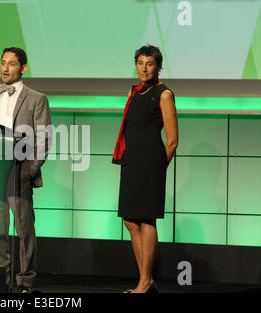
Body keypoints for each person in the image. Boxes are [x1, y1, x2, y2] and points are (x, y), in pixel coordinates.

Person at [0, 47, 51, 293]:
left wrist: (30, 171)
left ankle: (24, 281)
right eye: (2, 62)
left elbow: (44, 138)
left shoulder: (36, 98)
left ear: (23, 68)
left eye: (12, 64)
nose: (5, 68)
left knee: (23, 228)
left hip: (18, 169)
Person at [112, 45, 178, 293]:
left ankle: (143, 282)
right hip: (131, 161)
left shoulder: (164, 94)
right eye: (140, 63)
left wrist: (159, 168)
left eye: (149, 63)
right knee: (130, 220)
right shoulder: (135, 92)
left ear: (158, 66)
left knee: (147, 220)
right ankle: (146, 279)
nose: (144, 68)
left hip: (151, 163)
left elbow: (172, 140)